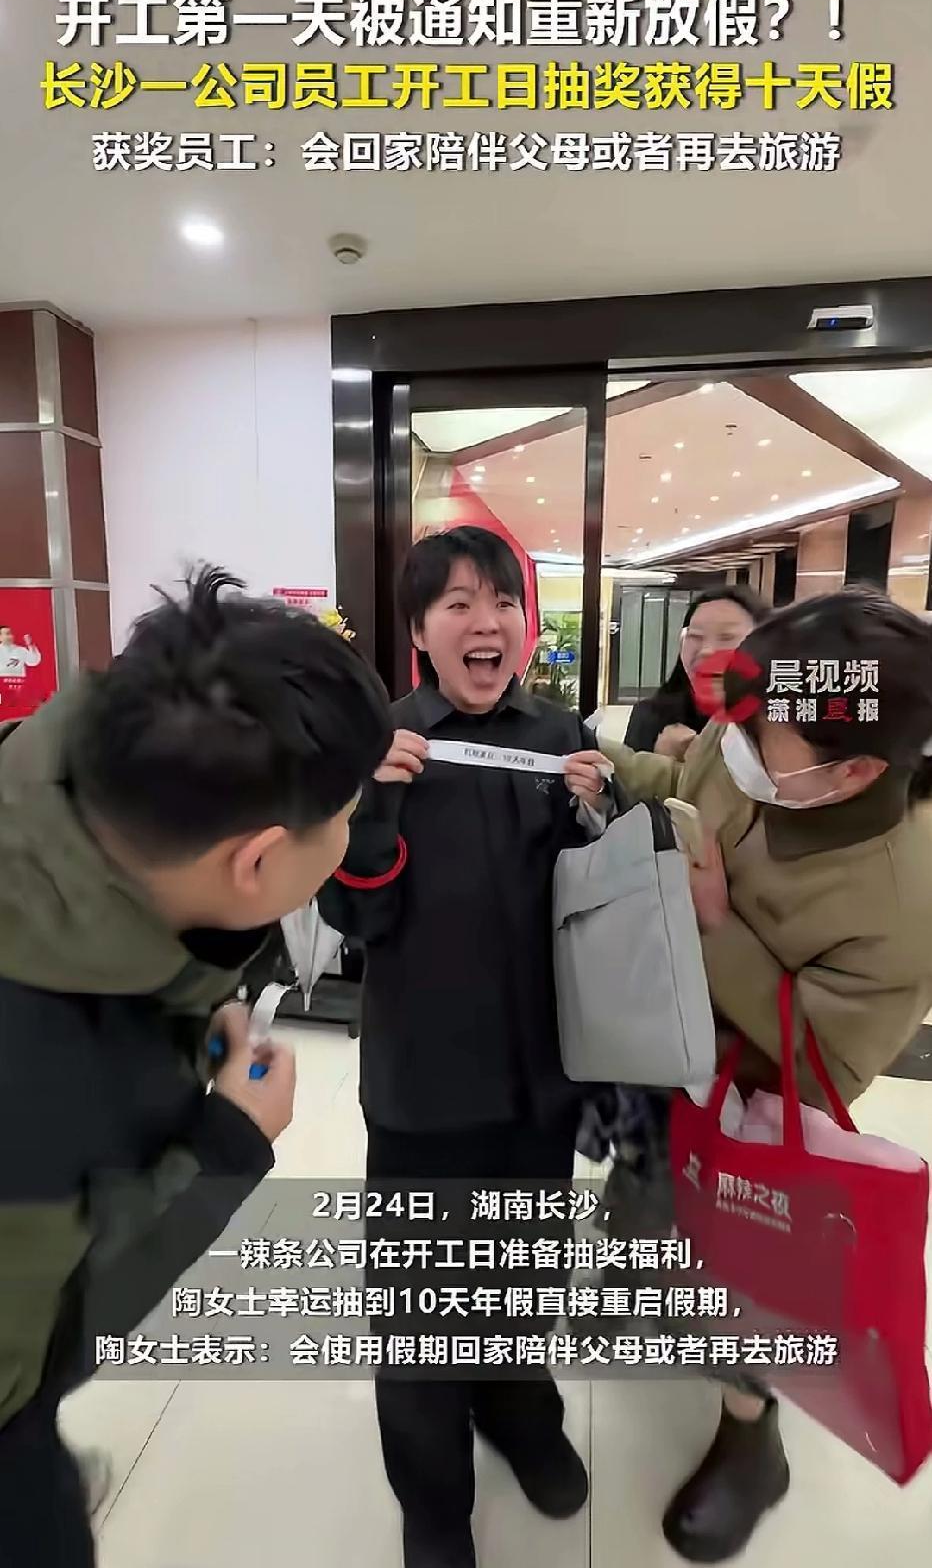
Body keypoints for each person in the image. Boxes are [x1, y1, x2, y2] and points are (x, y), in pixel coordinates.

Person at [0, 566, 392, 1568]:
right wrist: (229, 1141)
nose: (350, 834)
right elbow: (40, 1356)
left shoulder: (55, 783)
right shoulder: (36, 1088)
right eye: (343, 817)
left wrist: (193, 998)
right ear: (256, 861)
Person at [597, 585, 932, 1562]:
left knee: (739, 1276)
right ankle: (635, 1261)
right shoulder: (755, 724)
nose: (730, 741)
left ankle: (752, 1435)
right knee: (641, 1190)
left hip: (750, 1105)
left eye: (757, 736)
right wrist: (608, 766)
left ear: (854, 769)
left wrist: (714, 924)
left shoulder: (901, 896)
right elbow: (687, 786)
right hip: (657, 1040)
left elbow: (825, 1062)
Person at [319, 525, 609, 1568]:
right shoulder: (382, 742)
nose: (485, 622)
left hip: (540, 1079)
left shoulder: (559, 734)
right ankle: (433, 1497)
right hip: (424, 1085)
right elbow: (354, 920)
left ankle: (518, 1409)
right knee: (421, 1304)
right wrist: (375, 801)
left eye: (502, 601)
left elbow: (593, 897)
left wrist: (596, 813)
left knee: (525, 1269)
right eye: (457, 603)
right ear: (419, 632)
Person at [623, 586, 769, 759]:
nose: (706, 651)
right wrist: (659, 760)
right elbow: (626, 775)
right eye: (695, 636)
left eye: (727, 637)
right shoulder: (651, 716)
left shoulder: (781, 721)